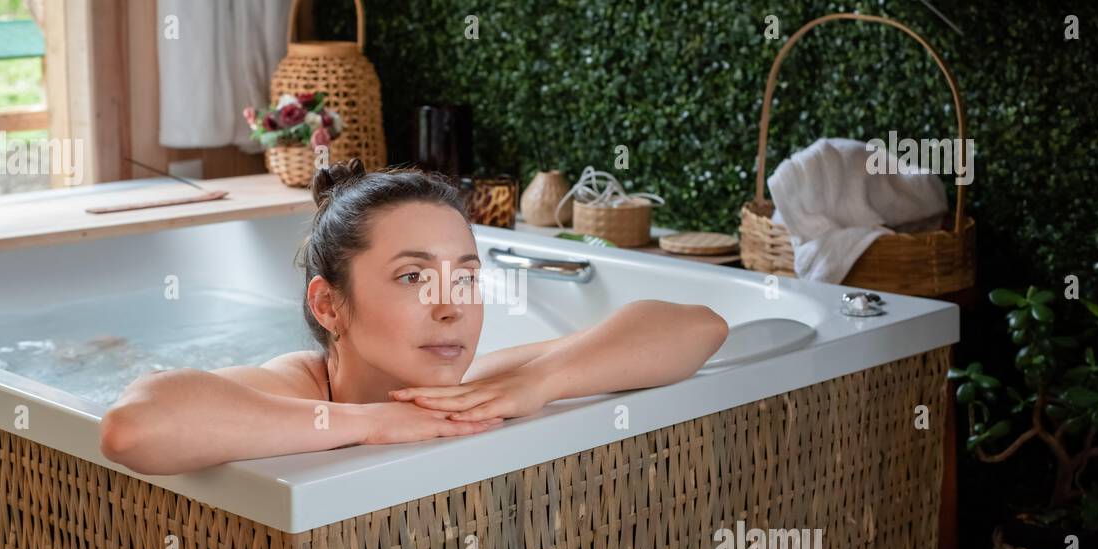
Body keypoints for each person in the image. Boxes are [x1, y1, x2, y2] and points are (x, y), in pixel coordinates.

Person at [100, 159, 729, 475]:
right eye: (412, 277)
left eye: (465, 275)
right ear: (328, 305)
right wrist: (370, 424)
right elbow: (133, 425)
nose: (451, 305)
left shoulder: (468, 382)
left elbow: (701, 327)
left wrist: (544, 381)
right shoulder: (295, 386)